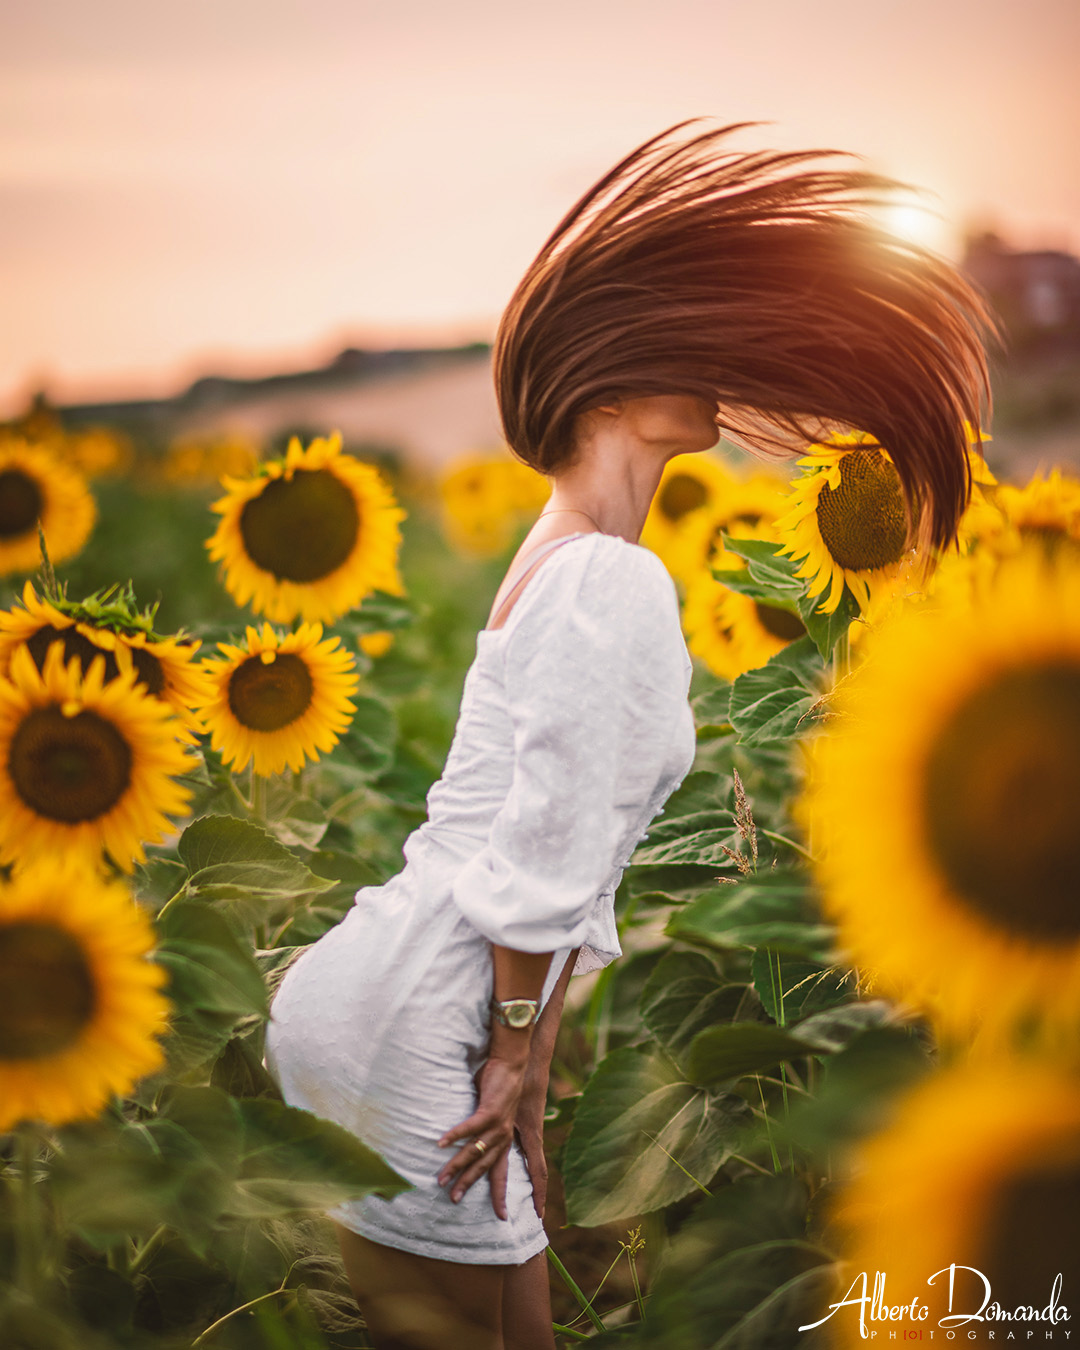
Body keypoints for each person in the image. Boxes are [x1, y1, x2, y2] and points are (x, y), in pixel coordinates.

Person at [264, 120, 992, 1349]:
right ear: (605, 385)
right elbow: (541, 855)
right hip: (422, 1027)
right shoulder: (606, 575)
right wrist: (517, 1065)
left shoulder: (563, 556)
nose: (711, 366)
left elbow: (544, 850)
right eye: (675, 350)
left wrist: (527, 1061)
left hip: (398, 1000)